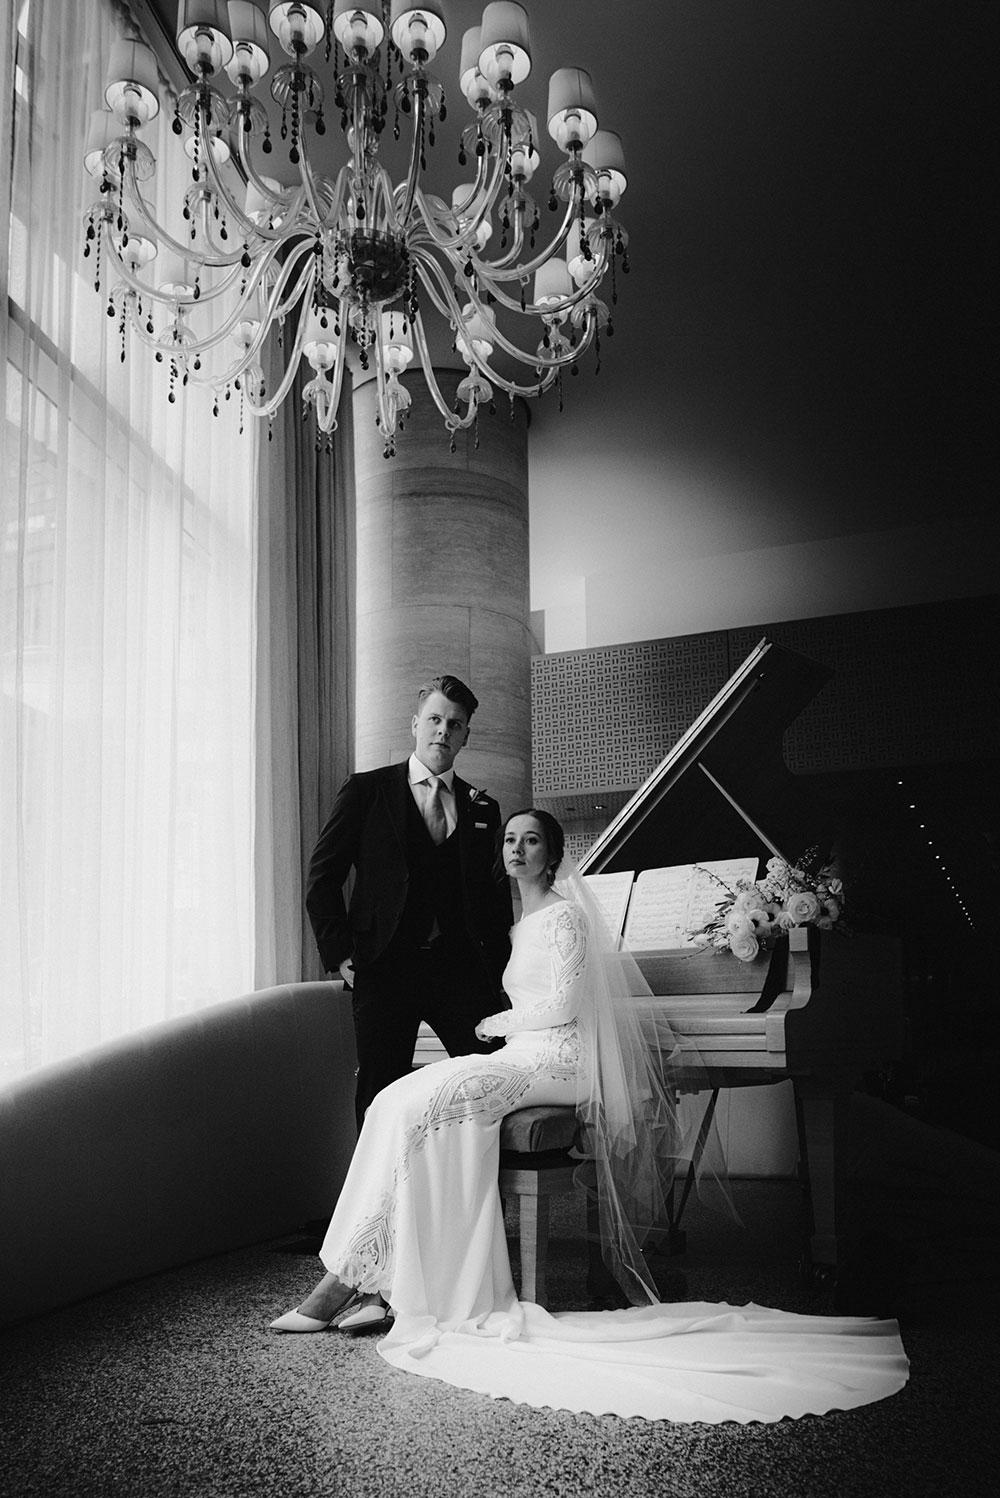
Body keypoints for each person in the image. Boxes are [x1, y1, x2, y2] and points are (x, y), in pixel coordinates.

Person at [271, 810, 909, 1424]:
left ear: (553, 855)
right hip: (525, 1050)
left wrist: (494, 1023)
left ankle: (342, 1286)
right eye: (509, 841)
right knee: (393, 1099)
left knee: (431, 1102)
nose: (516, 850)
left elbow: (562, 1003)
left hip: (563, 1058)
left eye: (531, 841)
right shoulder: (518, 924)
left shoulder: (565, 918)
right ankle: (376, 1276)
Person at [305, 674, 512, 1132]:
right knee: (381, 1095)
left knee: (489, 1080)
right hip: (384, 969)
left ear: (465, 736)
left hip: (458, 971)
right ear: (414, 724)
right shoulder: (365, 791)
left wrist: (496, 971)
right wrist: (340, 954)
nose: (443, 731)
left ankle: (469, 1198)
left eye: (454, 724)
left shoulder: (483, 809)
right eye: (435, 719)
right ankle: (381, 1204)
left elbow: (495, 900)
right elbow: (322, 878)